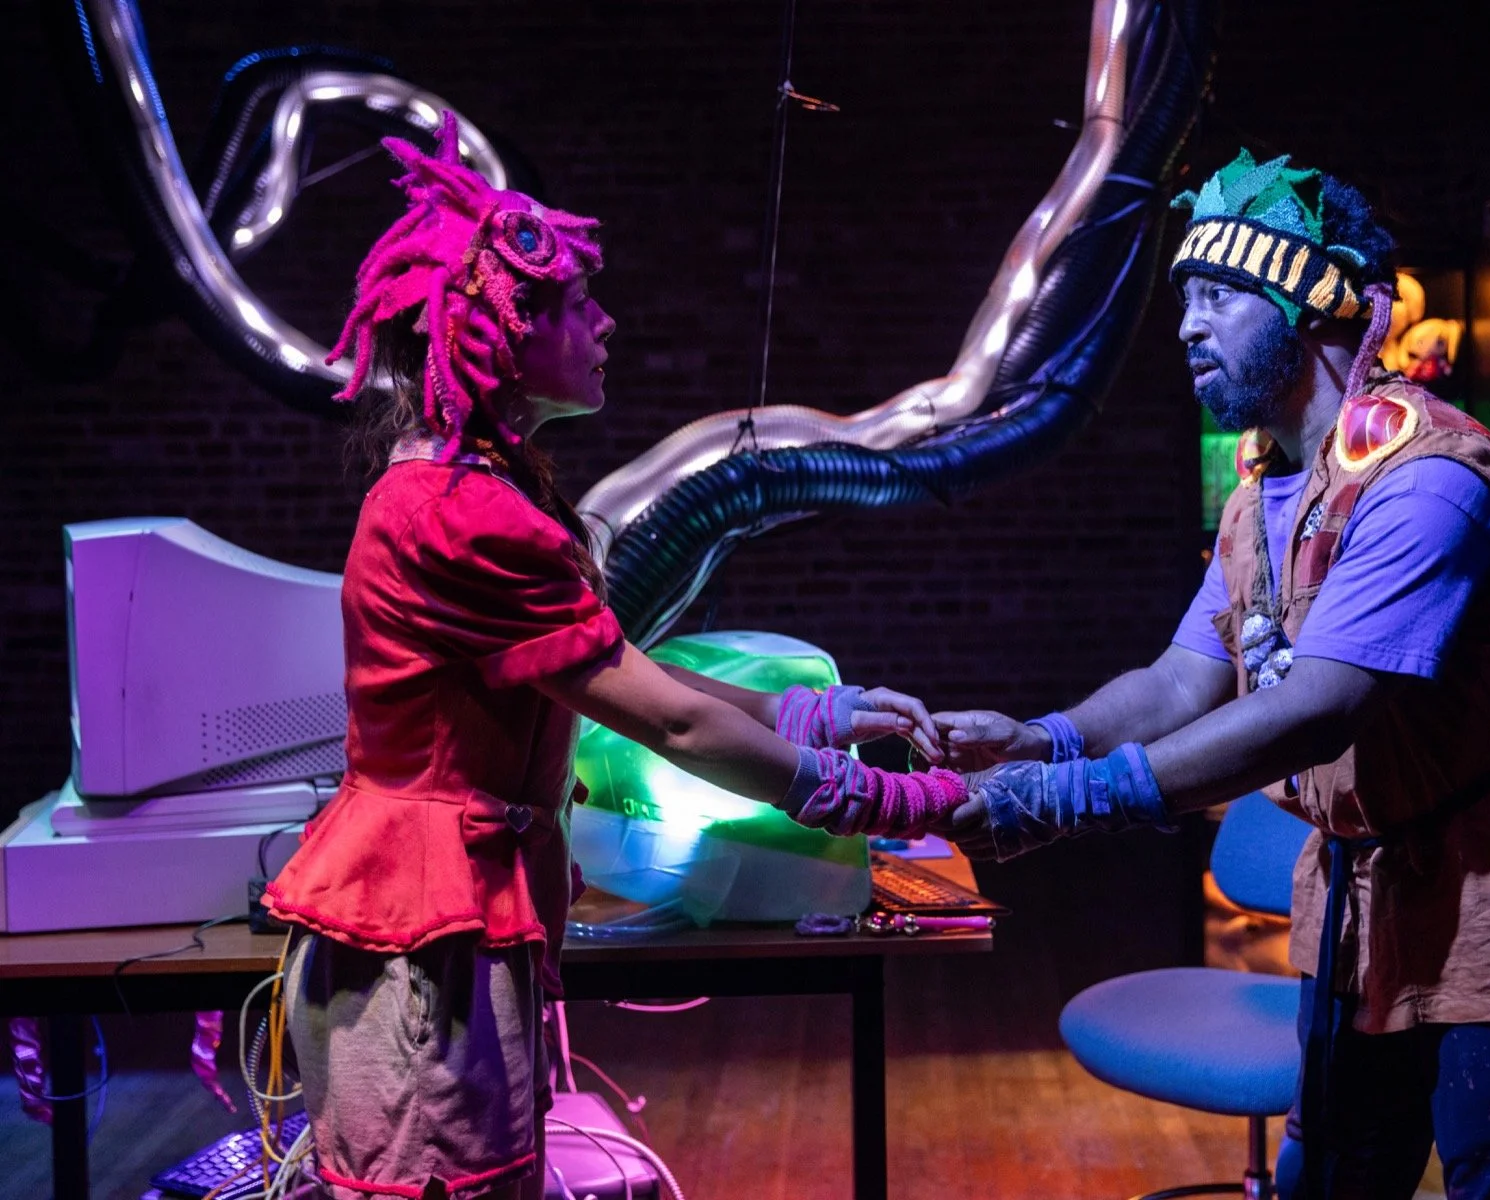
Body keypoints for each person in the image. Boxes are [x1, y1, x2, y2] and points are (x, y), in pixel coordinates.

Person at [935, 150, 1490, 1200]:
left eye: (1218, 299)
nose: (1185, 329)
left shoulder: (1428, 481)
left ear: (1312, 308)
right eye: (1184, 302)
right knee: (1336, 1174)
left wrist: (1077, 799)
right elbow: (1179, 678)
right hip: (1368, 888)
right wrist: (1044, 739)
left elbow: (1318, 707)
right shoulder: (1264, 494)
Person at [262, 116, 967, 1200]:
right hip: (421, 946)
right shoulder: (457, 511)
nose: (606, 322)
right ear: (501, 329)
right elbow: (670, 723)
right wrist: (877, 799)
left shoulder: (474, 488)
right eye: (577, 305)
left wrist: (819, 715)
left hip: (450, 930)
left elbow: (628, 664)